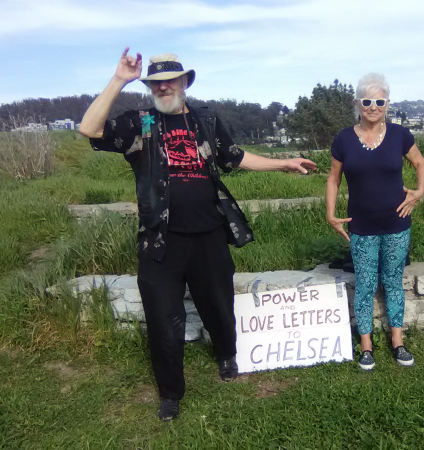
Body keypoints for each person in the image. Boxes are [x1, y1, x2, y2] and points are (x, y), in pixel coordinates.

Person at [79, 48, 316, 421]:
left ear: (184, 82)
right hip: (160, 241)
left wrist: (283, 162)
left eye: (170, 80)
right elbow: (89, 129)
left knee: (218, 304)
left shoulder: (205, 119)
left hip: (209, 234)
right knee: (163, 319)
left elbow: (234, 156)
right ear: (150, 87)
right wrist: (119, 79)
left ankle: (227, 354)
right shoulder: (139, 123)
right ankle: (170, 392)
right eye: (156, 83)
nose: (163, 87)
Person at [325, 73, 424, 371]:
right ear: (357, 103)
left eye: (380, 102)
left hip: (397, 223)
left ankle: (398, 342)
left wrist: (419, 192)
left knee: (393, 281)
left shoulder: (399, 135)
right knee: (366, 284)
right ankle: (366, 346)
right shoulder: (344, 139)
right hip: (361, 226)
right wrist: (331, 214)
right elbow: (333, 179)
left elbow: (420, 163)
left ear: (387, 104)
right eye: (367, 101)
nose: (373, 107)